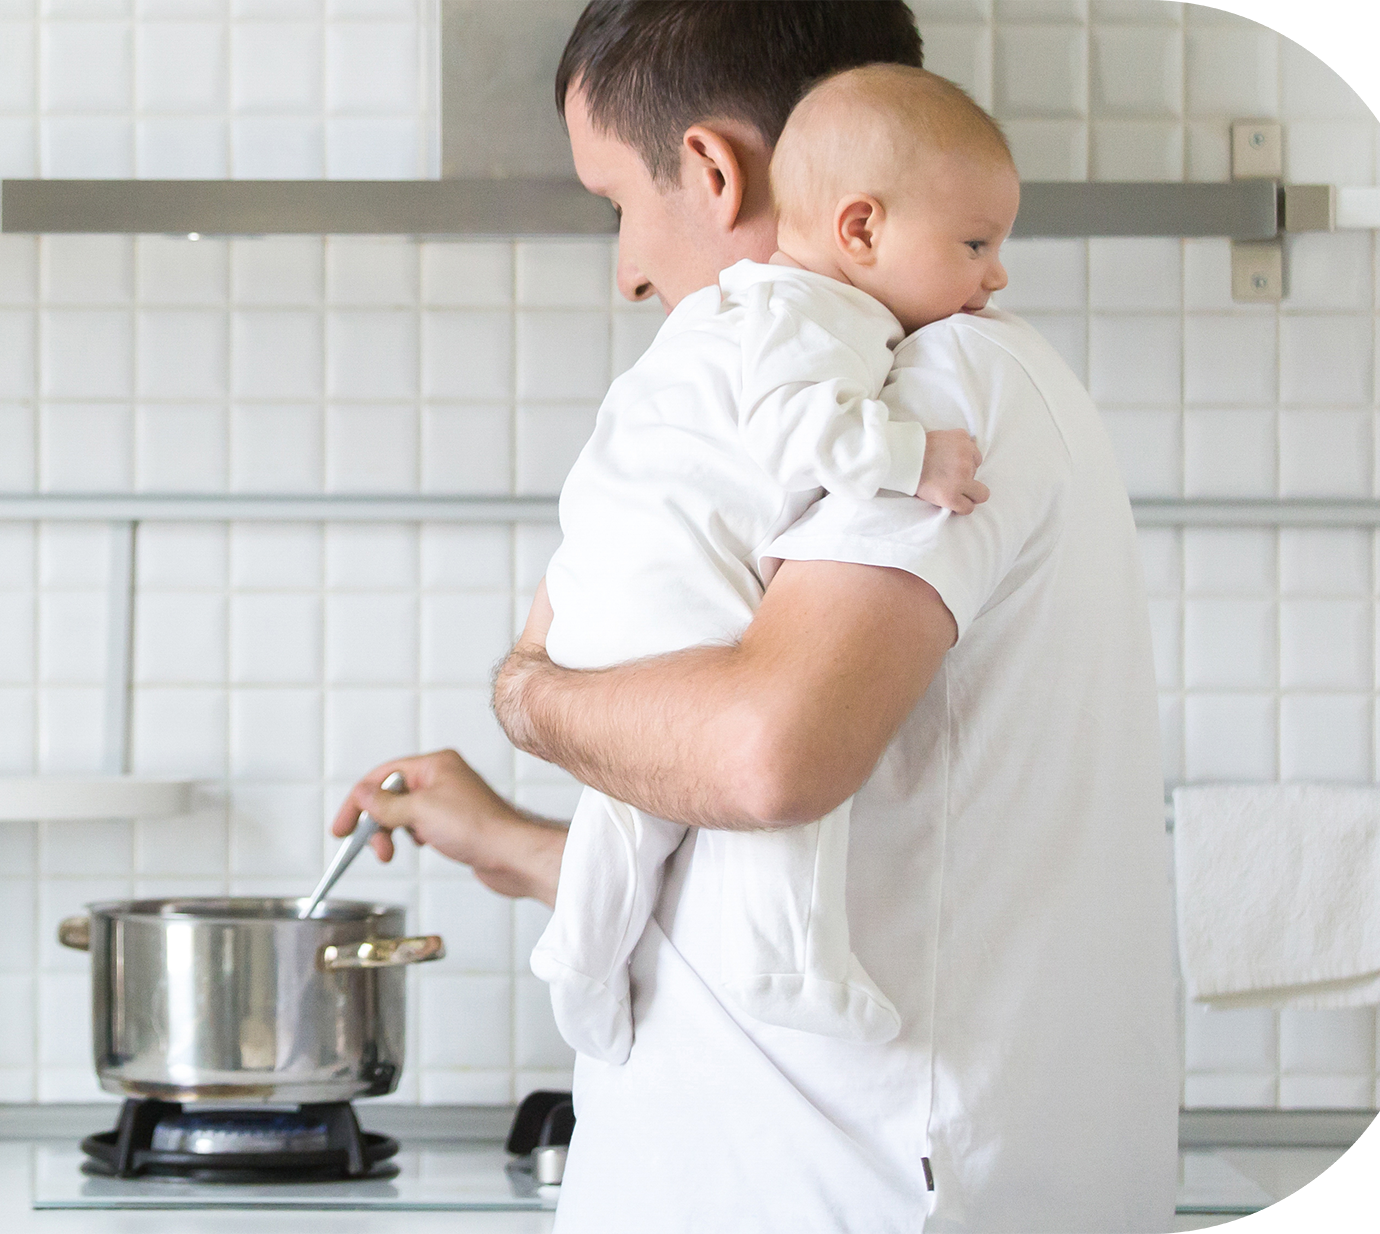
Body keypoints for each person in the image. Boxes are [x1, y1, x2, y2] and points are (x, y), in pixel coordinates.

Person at [331, 1, 1180, 1229]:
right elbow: (808, 868)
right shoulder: (877, 381)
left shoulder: (935, 385)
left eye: (615, 201)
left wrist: (529, 690)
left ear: (714, 171)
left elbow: (762, 759)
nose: (625, 265)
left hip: (853, 1194)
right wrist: (517, 844)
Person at [532, 63, 1014, 1070]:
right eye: (975, 244)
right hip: (679, 597)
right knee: (788, 759)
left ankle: (577, 955)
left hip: (603, 597)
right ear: (859, 230)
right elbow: (801, 437)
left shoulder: (748, 308)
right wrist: (910, 456)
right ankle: (795, 961)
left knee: (630, 806)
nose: (996, 275)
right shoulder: (816, 314)